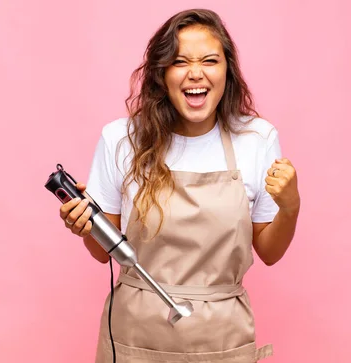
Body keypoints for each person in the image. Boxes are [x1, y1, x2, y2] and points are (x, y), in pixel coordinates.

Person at [59, 8, 300, 363]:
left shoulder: (257, 139)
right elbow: (102, 252)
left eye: (209, 60)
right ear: (162, 74)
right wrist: (84, 227)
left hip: (222, 337)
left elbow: (270, 252)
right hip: (135, 336)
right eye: (180, 61)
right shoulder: (121, 139)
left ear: (227, 71)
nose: (195, 73)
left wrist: (291, 206)